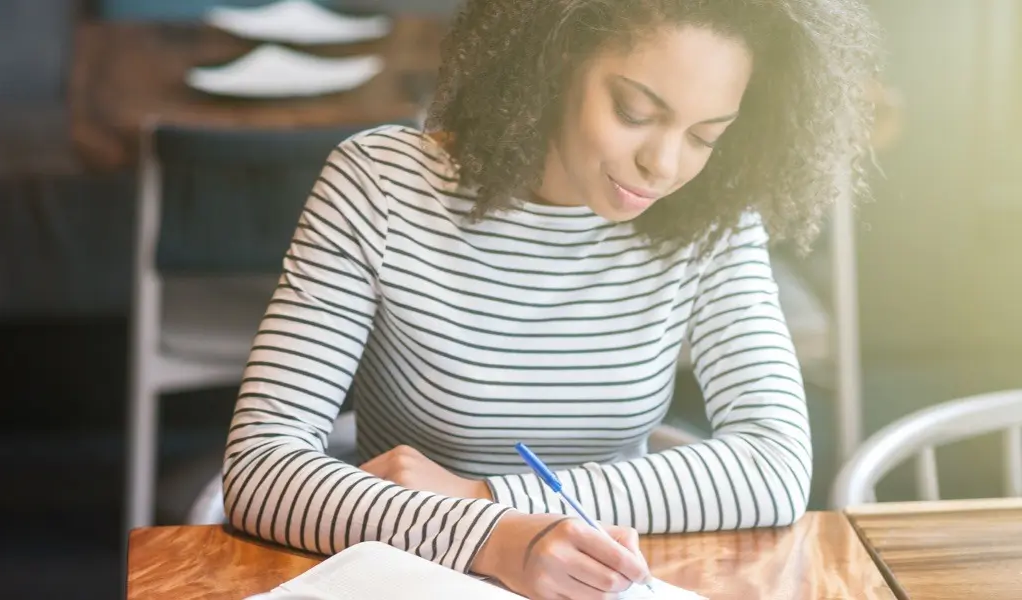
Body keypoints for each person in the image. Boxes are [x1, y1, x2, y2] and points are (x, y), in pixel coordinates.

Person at [223, 0, 881, 598]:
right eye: (635, 112)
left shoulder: (710, 219)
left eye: (704, 135)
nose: (665, 164)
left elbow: (775, 464)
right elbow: (259, 468)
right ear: (555, 55)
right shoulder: (383, 187)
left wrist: (486, 497)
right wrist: (498, 539)